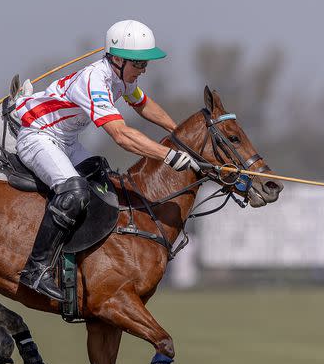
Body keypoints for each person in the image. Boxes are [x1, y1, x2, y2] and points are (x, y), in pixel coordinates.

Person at [14, 20, 199, 300]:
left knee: (104, 181)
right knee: (74, 193)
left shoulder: (123, 79)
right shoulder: (95, 80)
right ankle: (35, 268)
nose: (143, 69)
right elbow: (121, 136)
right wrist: (169, 155)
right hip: (37, 136)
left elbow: (143, 104)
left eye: (145, 64)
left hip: (66, 141)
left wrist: (177, 134)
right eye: (138, 63)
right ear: (117, 58)